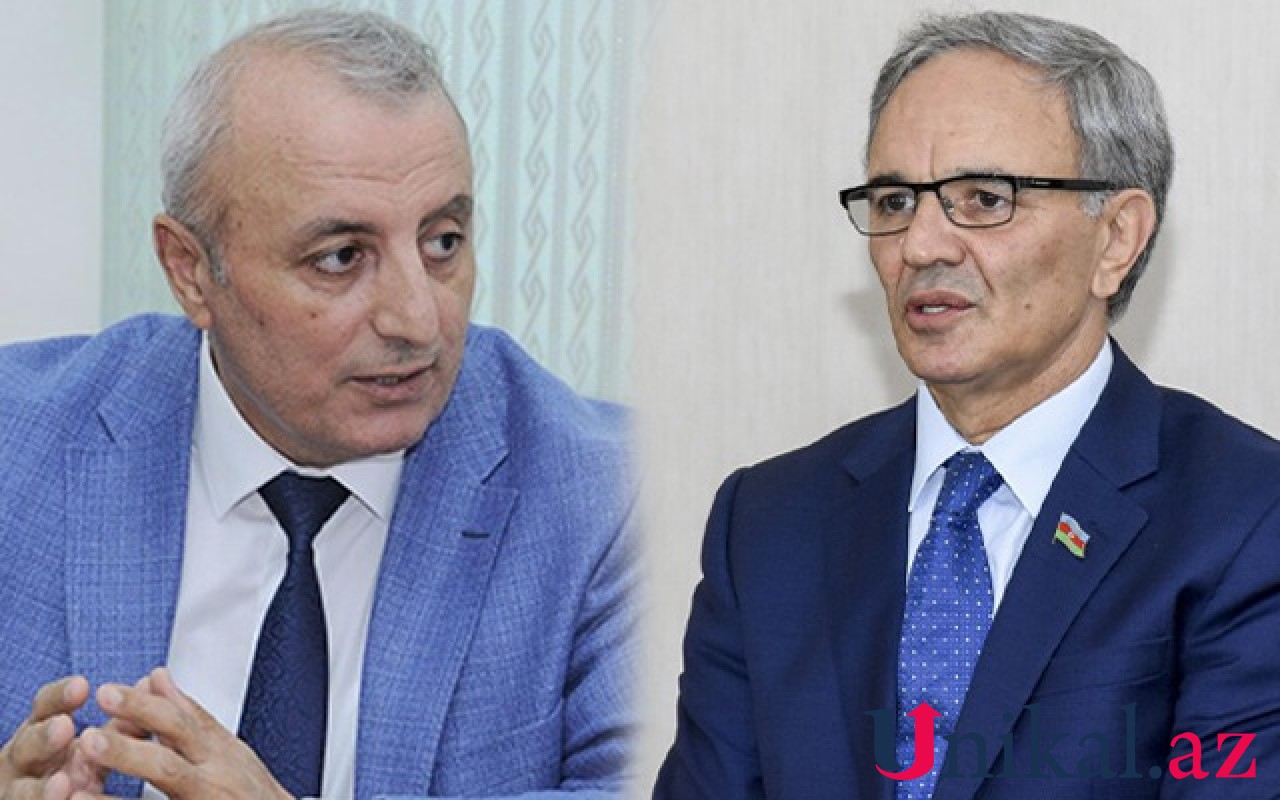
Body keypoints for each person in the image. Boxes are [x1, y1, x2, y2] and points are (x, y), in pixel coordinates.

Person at [0, 9, 636, 800]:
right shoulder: (16, 441)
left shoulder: (609, 500)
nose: (418, 320)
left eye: (442, 241)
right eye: (340, 258)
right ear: (191, 271)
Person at [655, 10, 1280, 800]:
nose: (920, 246)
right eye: (893, 201)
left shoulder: (1246, 519)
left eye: (984, 198)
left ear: (1116, 238)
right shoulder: (769, 523)